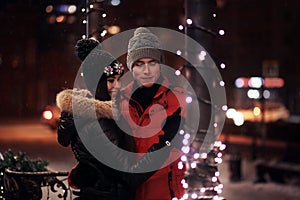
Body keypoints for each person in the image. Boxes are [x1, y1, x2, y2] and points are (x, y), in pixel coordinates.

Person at [56, 38, 181, 200]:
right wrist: (166, 141)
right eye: (110, 81)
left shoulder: (107, 114)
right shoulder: (96, 122)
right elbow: (130, 175)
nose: (117, 85)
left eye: (119, 79)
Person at [115, 27, 186, 199]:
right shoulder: (119, 100)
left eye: (152, 63)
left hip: (164, 192)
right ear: (131, 68)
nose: (146, 71)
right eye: (139, 64)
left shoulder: (177, 99)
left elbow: (173, 150)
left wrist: (133, 175)